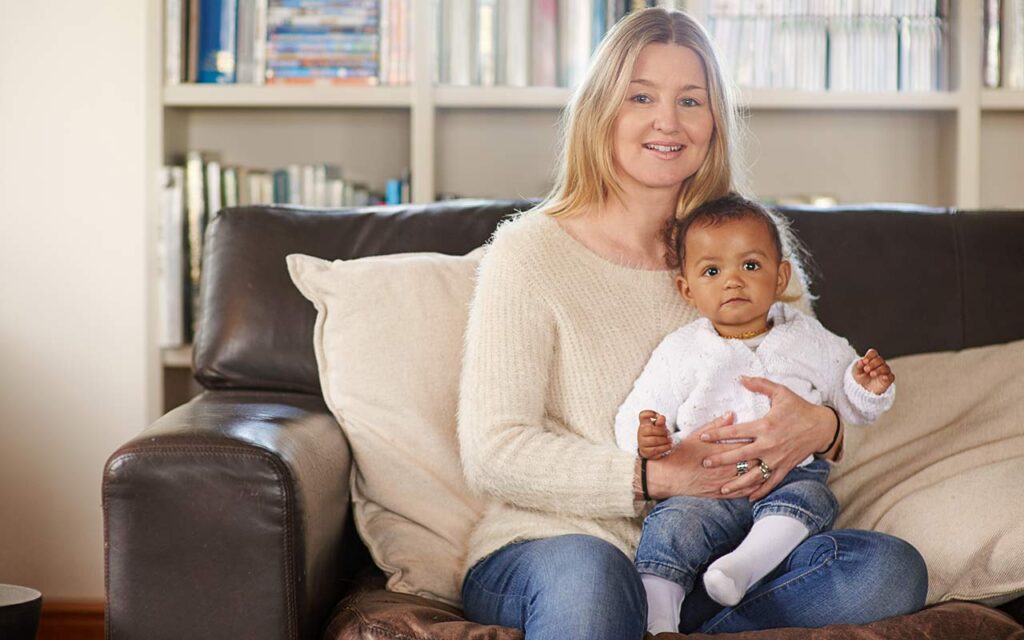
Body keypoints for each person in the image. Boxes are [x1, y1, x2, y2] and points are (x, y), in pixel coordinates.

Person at [457, 7, 927, 639]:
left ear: (715, 122)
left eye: (691, 101)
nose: (667, 122)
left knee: (887, 571)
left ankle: (668, 622)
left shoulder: (748, 244)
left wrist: (823, 426)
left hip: (721, 549)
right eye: (641, 97)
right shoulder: (530, 252)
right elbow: (494, 450)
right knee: (594, 580)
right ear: (602, 111)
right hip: (559, 545)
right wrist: (654, 476)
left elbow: (824, 376)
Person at [614, 193, 896, 634]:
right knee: (670, 528)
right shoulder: (681, 351)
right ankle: (660, 623)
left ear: (781, 276)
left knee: (814, 500)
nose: (733, 282)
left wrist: (867, 387)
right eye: (712, 271)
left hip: (789, 479)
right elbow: (640, 410)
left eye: (750, 266)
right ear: (686, 289)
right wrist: (646, 437)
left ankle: (742, 569)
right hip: (704, 487)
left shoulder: (809, 337)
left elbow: (848, 405)